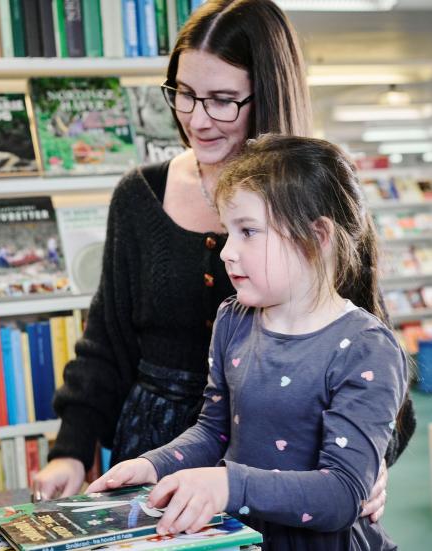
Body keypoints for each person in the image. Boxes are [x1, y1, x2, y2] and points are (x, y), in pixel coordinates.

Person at [33, 0, 415, 520]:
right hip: (159, 448)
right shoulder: (140, 196)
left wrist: (367, 464)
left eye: (222, 100)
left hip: (285, 474)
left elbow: (376, 366)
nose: (196, 118)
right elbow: (105, 341)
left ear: (267, 96)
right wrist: (71, 451)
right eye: (184, 94)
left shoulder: (318, 198)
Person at [86, 134, 409, 550]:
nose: (226, 252)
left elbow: (343, 494)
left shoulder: (366, 347)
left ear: (318, 237)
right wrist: (154, 464)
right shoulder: (233, 320)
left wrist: (227, 485)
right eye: (228, 232)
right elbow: (213, 432)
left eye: (248, 232)